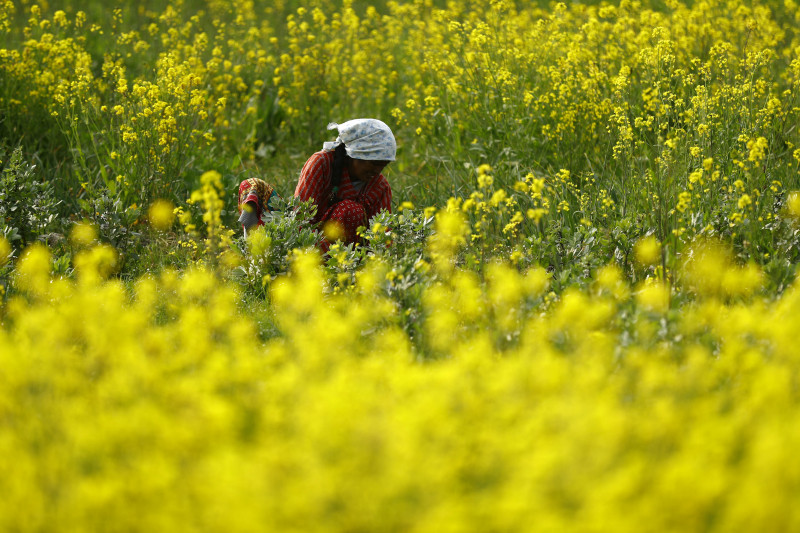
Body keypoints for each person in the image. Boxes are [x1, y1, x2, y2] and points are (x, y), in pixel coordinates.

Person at [294, 119, 395, 251]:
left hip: (353, 258)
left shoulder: (380, 187)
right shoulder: (321, 164)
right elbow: (300, 220)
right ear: (355, 154)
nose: (377, 171)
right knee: (351, 211)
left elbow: (382, 238)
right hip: (310, 248)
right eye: (374, 164)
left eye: (383, 166)